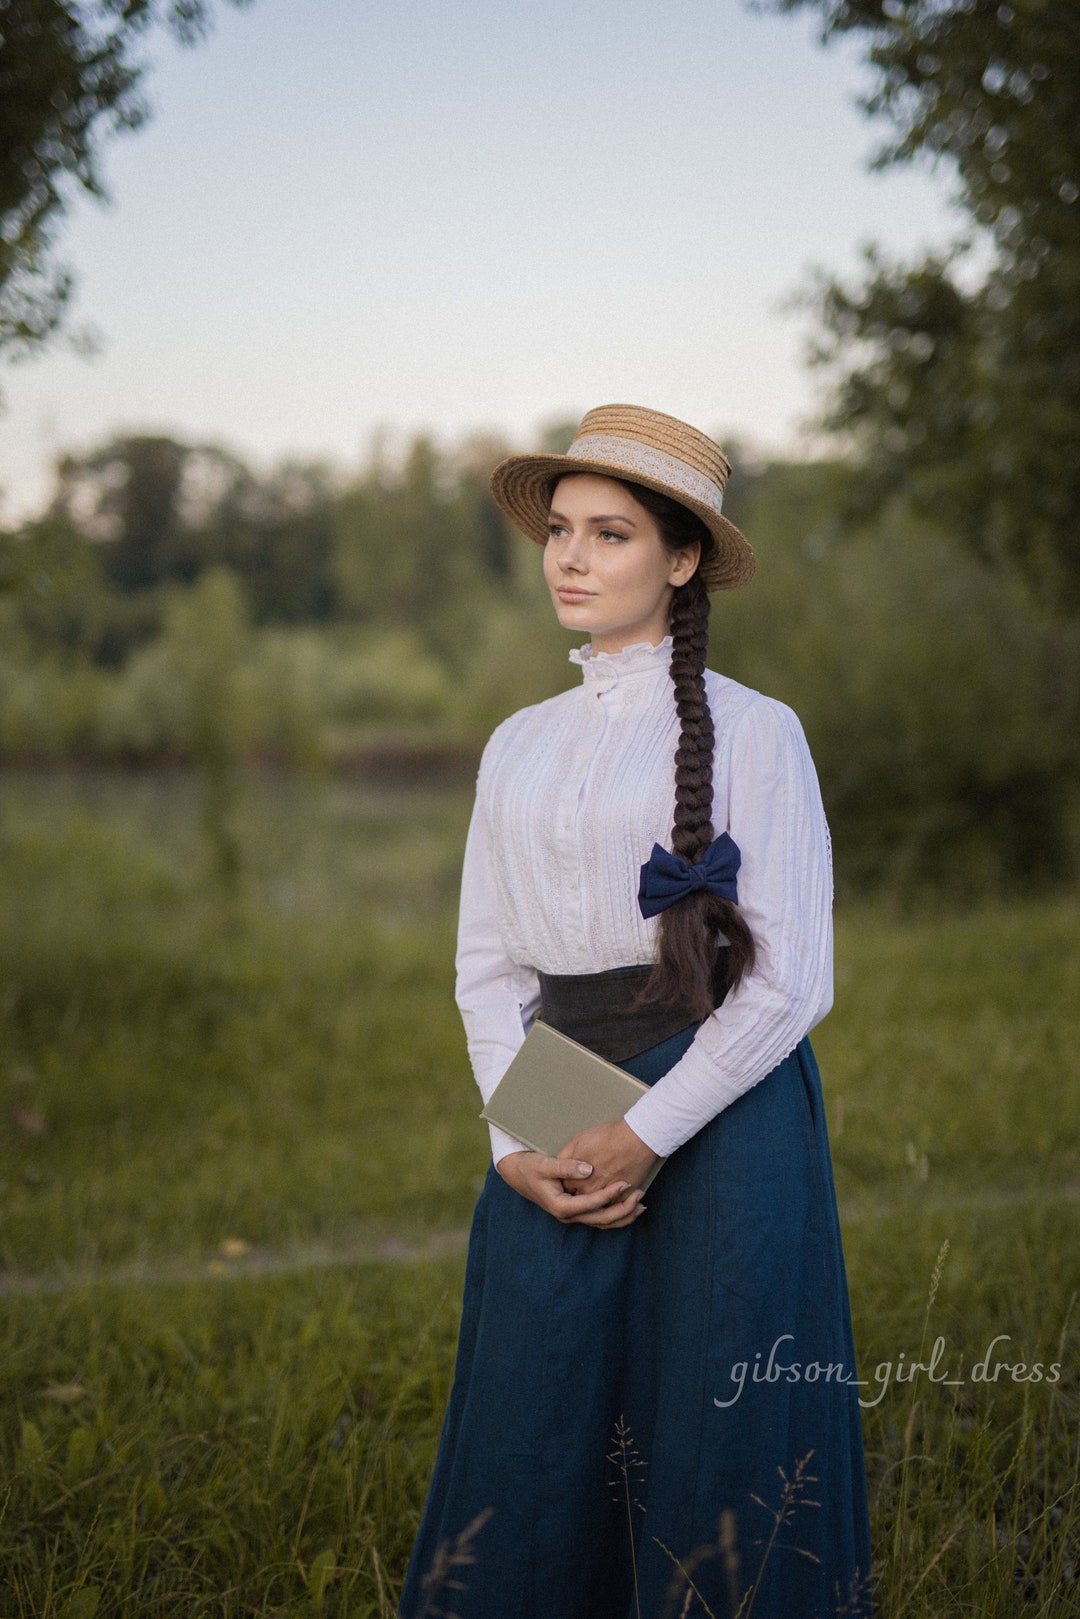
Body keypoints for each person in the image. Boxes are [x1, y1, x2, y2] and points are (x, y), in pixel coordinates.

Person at [398, 406, 872, 1619]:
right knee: (538, 1391)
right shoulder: (516, 743)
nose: (570, 556)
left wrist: (653, 1126)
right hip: (560, 1065)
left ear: (682, 557)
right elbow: (487, 968)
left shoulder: (760, 731)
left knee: (714, 1405)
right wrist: (517, 1140)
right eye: (560, 529)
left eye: (611, 533)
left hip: (718, 1085)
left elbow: (791, 979)